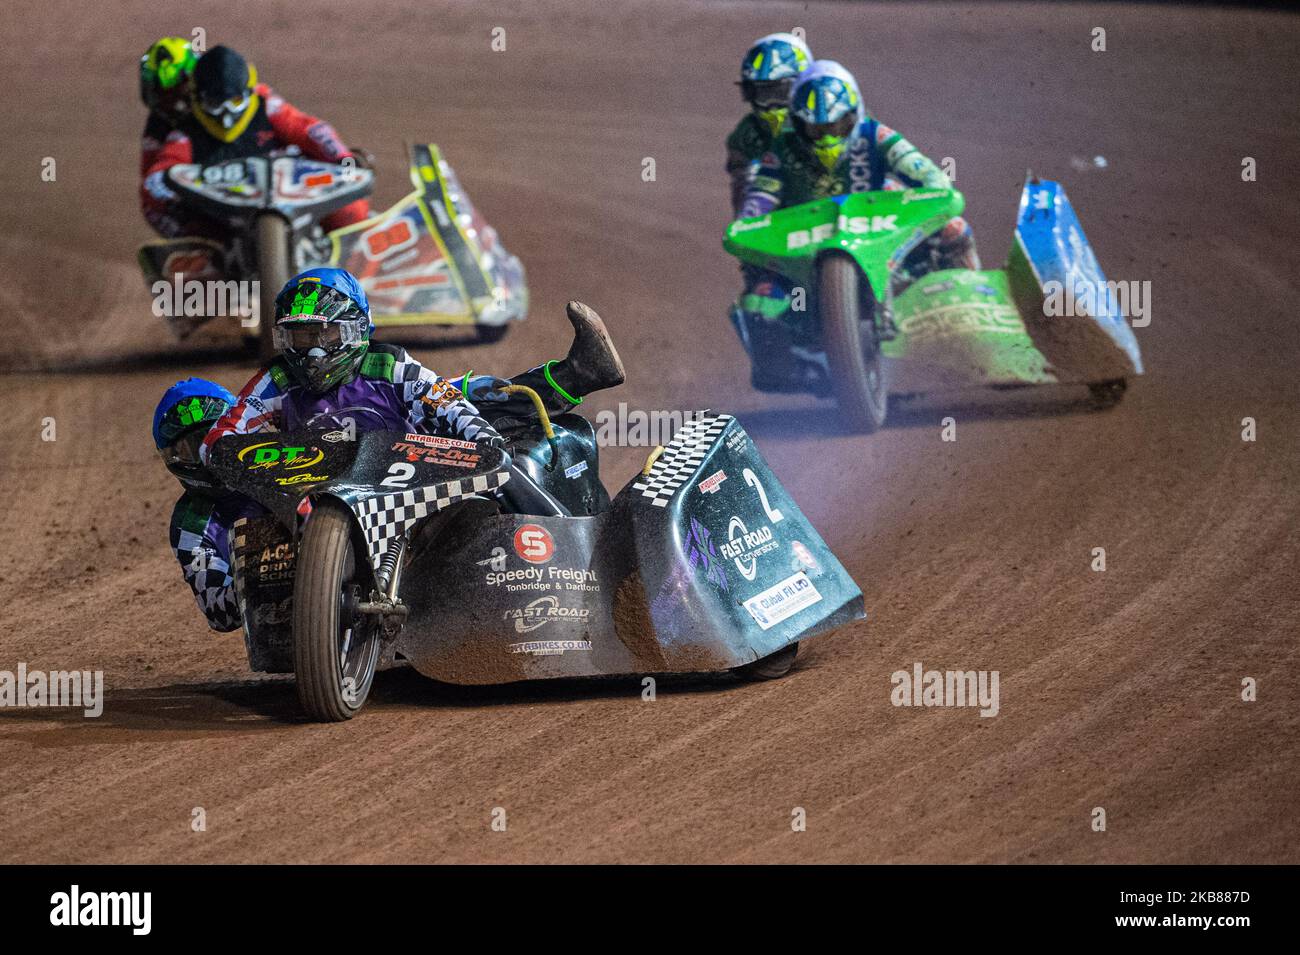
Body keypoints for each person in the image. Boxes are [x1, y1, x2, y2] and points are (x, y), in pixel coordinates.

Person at [733, 60, 980, 390]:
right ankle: (790, 370)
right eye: (817, 130)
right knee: (757, 302)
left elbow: (929, 176)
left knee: (955, 230)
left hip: (883, 225)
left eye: (837, 126)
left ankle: (976, 312)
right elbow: (759, 199)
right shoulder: (780, 151)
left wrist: (935, 195)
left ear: (855, 114)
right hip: (804, 243)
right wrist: (749, 227)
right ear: (798, 123)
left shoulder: (876, 135)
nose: (827, 138)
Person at [141, 45, 370, 239]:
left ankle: (352, 271)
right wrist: (172, 201)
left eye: (236, 101)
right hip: (227, 215)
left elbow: (311, 131)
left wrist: (344, 160)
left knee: (352, 210)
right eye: (215, 103)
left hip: (294, 192)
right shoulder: (183, 132)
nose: (226, 114)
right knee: (190, 243)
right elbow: (154, 180)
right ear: (197, 96)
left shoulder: (266, 105)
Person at [153, 378, 254, 632]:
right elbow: (220, 613)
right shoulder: (190, 522)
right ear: (174, 458)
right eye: (193, 449)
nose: (208, 456)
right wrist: (261, 577)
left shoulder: (283, 466)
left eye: (216, 440)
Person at [725, 33, 812, 216]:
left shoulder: (840, 124)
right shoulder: (747, 135)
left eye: (779, 92)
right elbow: (742, 192)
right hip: (780, 226)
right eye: (761, 94)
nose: (770, 104)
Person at [139, 37, 198, 183]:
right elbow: (149, 180)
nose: (165, 101)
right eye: (157, 91)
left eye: (172, 92)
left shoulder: (214, 111)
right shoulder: (157, 123)